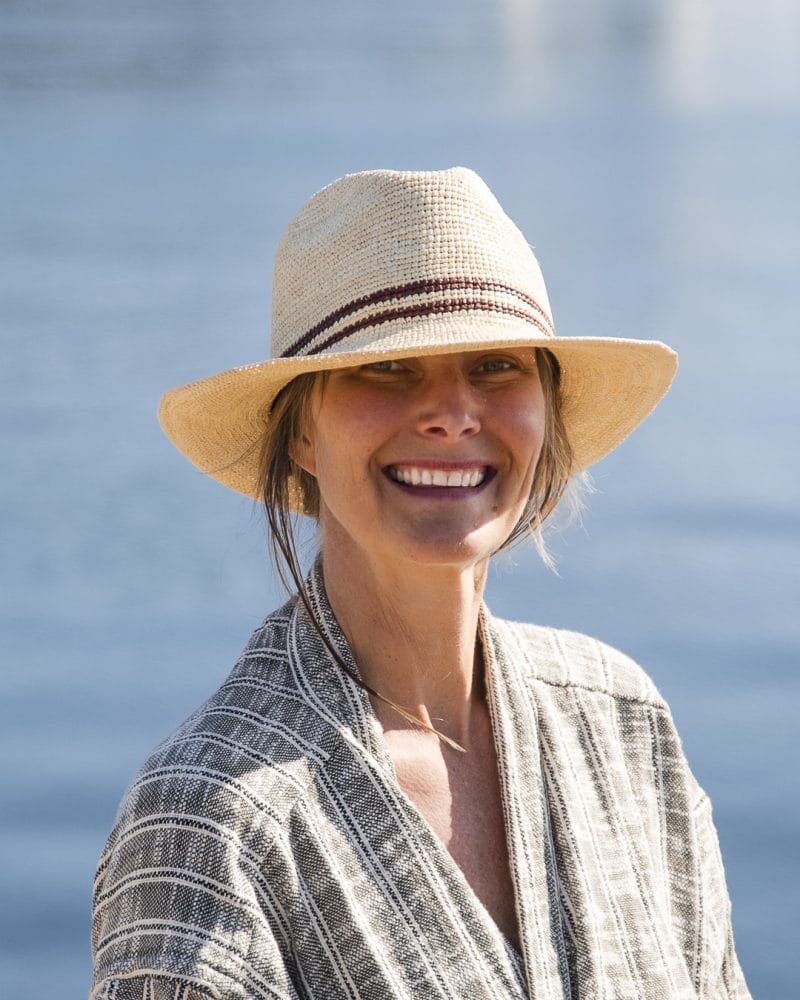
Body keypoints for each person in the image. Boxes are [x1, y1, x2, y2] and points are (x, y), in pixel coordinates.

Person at [90, 168, 750, 999]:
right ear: (301, 432)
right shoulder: (208, 818)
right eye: (391, 367)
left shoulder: (622, 721)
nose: (453, 413)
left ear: (545, 414)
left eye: (496, 365)